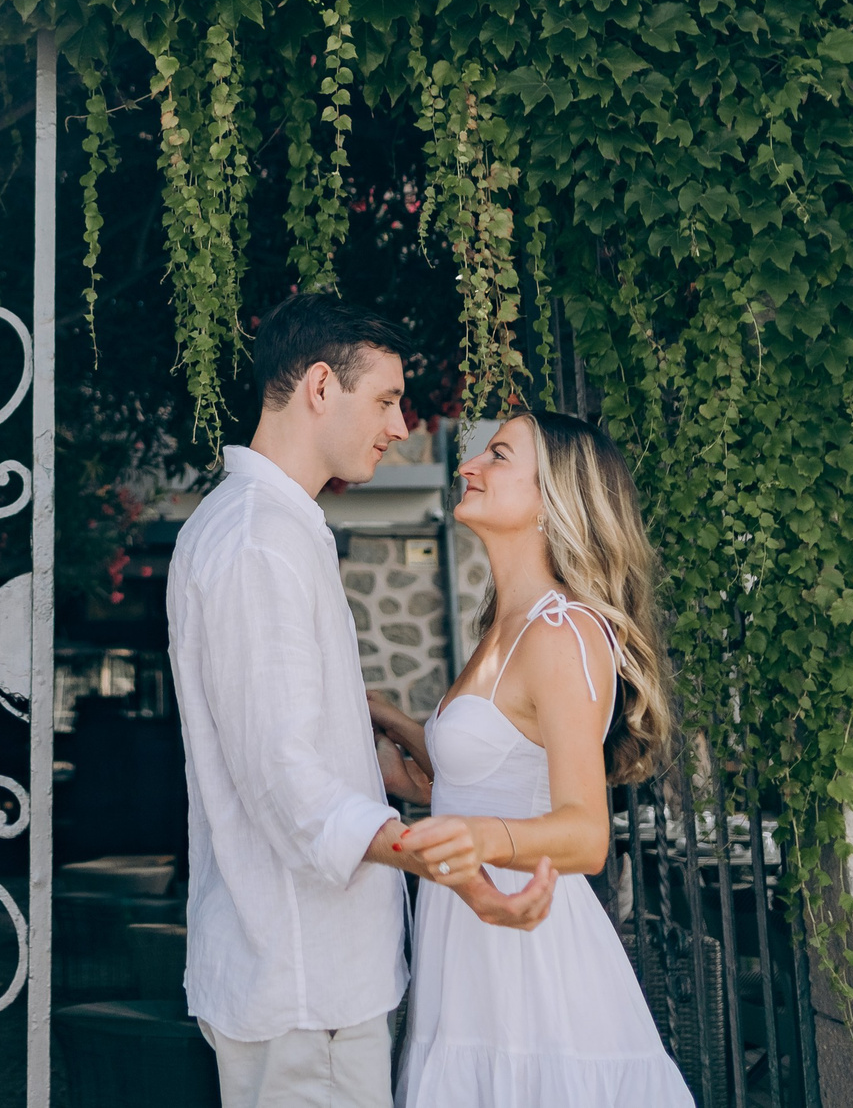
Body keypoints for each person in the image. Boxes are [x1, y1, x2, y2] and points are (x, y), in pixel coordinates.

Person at [169, 294, 556, 1108]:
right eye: (384, 398)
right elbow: (285, 781)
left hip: (317, 983)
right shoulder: (256, 543)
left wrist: (367, 728)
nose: (398, 425)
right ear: (319, 386)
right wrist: (444, 861)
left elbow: (290, 740)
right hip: (306, 987)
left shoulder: (276, 529)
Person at [375, 410, 695, 1108]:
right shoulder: (505, 624)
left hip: (527, 952)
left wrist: (480, 839)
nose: (469, 465)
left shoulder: (563, 629)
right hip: (466, 939)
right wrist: (396, 727)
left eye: (497, 455)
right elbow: (500, 768)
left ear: (555, 497)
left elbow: (585, 834)